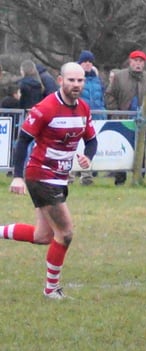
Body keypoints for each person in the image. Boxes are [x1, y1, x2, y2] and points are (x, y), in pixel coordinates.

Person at [1, 62, 97, 300]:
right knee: (65, 233)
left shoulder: (83, 108)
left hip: (59, 179)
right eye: (71, 80)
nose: (76, 85)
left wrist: (88, 157)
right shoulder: (45, 108)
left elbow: (92, 140)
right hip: (41, 176)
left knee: (42, 237)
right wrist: (18, 176)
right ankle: (51, 290)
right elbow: (22, 141)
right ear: (60, 79)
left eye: (80, 80)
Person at [105, 49, 146, 185]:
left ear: (144, 64)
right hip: (123, 120)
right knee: (121, 149)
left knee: (140, 151)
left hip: (142, 122)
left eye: (141, 61)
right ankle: (119, 179)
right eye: (135, 61)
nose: (138, 64)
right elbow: (109, 95)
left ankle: (139, 178)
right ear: (130, 62)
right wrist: (116, 112)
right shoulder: (119, 77)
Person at [77, 50, 106, 186]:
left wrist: (102, 112)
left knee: (89, 146)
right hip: (78, 116)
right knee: (74, 145)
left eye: (90, 62)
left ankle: (86, 175)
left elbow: (101, 98)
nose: (88, 64)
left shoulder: (97, 80)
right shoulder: (76, 79)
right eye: (85, 61)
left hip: (95, 118)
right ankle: (69, 175)